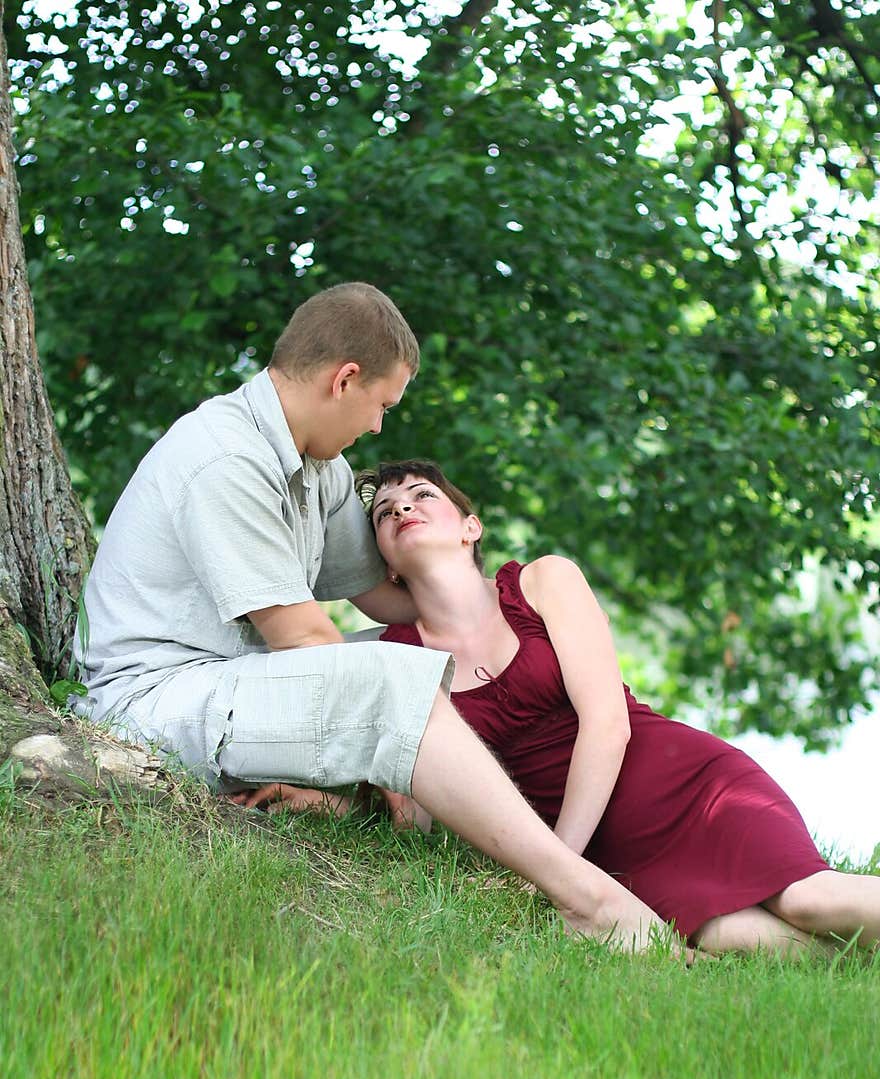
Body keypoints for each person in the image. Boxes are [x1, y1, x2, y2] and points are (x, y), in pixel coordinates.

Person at [72, 283, 674, 954]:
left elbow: (396, 599)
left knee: (403, 657)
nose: (380, 428)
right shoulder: (226, 458)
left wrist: (527, 629)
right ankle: (586, 897)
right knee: (383, 678)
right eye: (382, 405)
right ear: (345, 380)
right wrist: (377, 741)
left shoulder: (318, 467)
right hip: (155, 697)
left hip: (231, 679)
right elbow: (304, 641)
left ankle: (539, 813)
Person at [335, 459, 876, 958]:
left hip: (678, 785)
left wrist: (555, 868)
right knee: (735, 938)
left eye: (421, 494)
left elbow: (606, 723)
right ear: (387, 567)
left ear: (469, 528)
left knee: (808, 902)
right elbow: (430, 807)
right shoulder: (397, 655)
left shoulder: (542, 580)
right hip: (605, 854)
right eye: (385, 512)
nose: (403, 508)